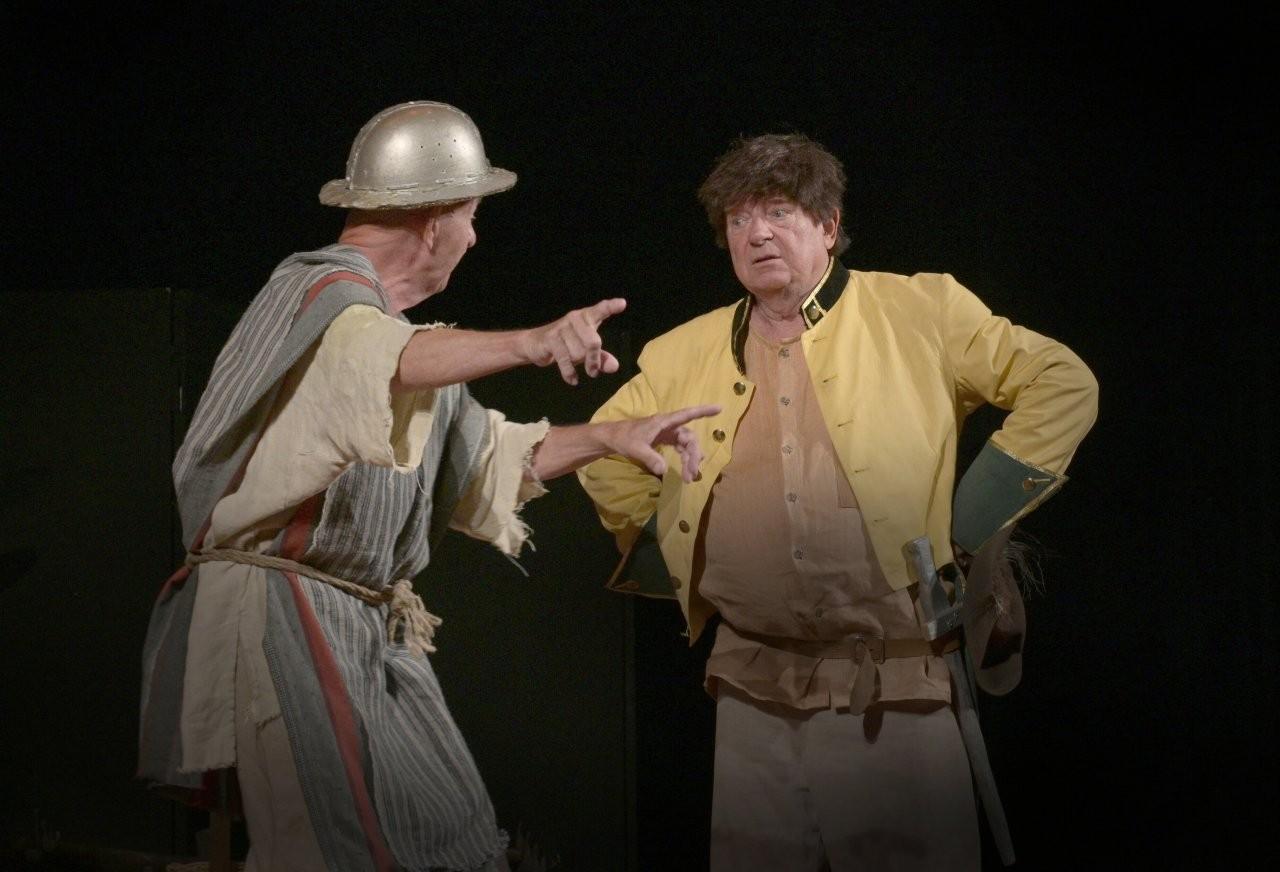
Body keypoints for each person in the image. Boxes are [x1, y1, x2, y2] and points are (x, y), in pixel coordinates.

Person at [137, 101, 716, 872]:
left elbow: (485, 460)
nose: (474, 238)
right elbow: (374, 356)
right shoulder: (314, 294)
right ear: (435, 218)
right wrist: (534, 341)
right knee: (327, 850)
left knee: (450, 833)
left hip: (366, 625)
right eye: (472, 217)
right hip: (277, 613)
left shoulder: (397, 341)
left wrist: (607, 438)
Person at [577, 133, 1098, 870]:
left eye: (778, 212)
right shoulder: (682, 351)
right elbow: (605, 450)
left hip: (895, 688)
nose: (756, 233)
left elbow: (1062, 382)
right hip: (752, 692)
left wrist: (970, 525)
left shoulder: (920, 311)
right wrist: (680, 554)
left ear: (828, 224)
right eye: (737, 218)